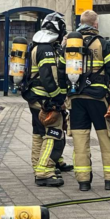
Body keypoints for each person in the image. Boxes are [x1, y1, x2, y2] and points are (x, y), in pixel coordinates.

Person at [61, 10, 110, 192]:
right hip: (98, 99)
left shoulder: (69, 45)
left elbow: (61, 71)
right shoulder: (103, 44)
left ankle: (83, 181)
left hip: (75, 99)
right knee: (108, 137)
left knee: (80, 140)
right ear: (95, 24)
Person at [21, 12, 70, 187]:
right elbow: (48, 78)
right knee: (53, 133)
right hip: (45, 99)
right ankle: (44, 170)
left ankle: (37, 165)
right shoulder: (47, 49)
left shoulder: (36, 46)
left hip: (34, 97)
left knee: (38, 132)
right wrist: (58, 99)